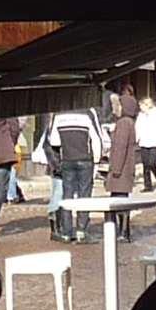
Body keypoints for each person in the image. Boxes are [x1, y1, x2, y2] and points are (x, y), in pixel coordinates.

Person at [47, 97, 102, 240]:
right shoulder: (89, 112)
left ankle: (66, 232)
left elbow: (53, 140)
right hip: (85, 158)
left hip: (67, 158)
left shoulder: (59, 114)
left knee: (67, 194)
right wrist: (97, 159)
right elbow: (97, 138)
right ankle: (81, 231)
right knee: (85, 195)